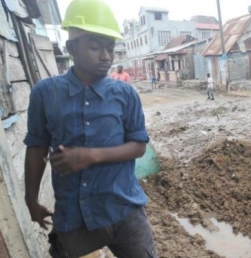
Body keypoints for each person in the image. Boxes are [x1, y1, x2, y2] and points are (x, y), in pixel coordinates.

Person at [23, 0, 157, 257]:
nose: (105, 56)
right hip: (74, 215)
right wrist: (31, 199)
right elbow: (36, 146)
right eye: (95, 47)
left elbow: (139, 146)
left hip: (124, 210)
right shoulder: (45, 93)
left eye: (110, 48)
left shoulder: (125, 93)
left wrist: (89, 156)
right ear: (71, 47)